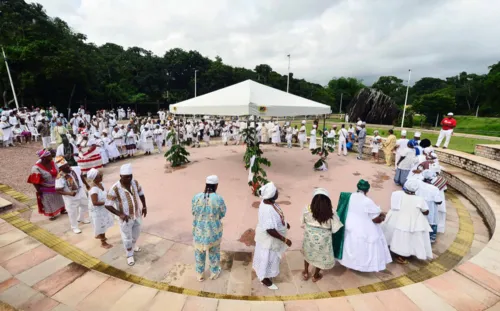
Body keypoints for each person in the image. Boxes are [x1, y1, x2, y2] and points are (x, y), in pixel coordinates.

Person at [333, 180, 392, 272]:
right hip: (362, 228)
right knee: (363, 248)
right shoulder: (367, 201)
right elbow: (375, 219)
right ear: (367, 190)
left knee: (350, 245)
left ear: (358, 187)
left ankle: (348, 263)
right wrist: (382, 216)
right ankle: (359, 266)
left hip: (349, 225)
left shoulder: (350, 196)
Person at [104, 163, 147, 266]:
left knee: (136, 234)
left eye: (130, 176)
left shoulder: (135, 183)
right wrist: (120, 214)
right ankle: (129, 255)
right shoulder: (115, 188)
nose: (129, 179)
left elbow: (141, 194)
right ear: (121, 176)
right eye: (126, 177)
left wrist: (144, 206)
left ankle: (132, 246)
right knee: (127, 237)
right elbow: (107, 204)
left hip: (136, 215)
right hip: (126, 219)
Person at [382, 179, 433, 264]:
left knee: (392, 234)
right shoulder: (419, 199)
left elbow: (393, 205)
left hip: (395, 218)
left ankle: (391, 249)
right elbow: (426, 212)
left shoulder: (396, 194)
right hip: (409, 221)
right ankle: (402, 255)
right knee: (406, 238)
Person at [252, 182, 291, 290]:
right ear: (272, 195)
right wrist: (285, 239)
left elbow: (276, 217)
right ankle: (264, 278)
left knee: (266, 257)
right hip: (268, 239)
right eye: (276, 191)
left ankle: (263, 273)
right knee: (267, 258)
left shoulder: (268, 202)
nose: (278, 192)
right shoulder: (268, 209)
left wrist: (285, 223)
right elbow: (270, 230)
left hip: (267, 237)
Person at [301, 188, 342, 282]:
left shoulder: (307, 209)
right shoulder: (331, 212)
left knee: (308, 252)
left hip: (309, 236)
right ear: (327, 200)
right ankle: (315, 276)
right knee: (320, 256)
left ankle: (306, 272)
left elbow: (302, 221)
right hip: (324, 239)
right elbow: (336, 228)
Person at [192, 175, 227, 282]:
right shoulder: (219, 199)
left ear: (206, 184)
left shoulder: (196, 197)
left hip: (199, 232)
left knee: (199, 254)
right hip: (213, 232)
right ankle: (214, 273)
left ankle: (200, 274)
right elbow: (222, 213)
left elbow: (193, 212)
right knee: (214, 254)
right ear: (216, 185)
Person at [55, 156, 90, 234]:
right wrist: (69, 193)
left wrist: (86, 184)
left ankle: (81, 218)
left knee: (85, 205)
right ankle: (74, 227)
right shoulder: (59, 177)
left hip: (80, 191)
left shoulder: (75, 168)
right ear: (61, 169)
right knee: (72, 213)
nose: (68, 168)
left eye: (67, 165)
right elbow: (58, 190)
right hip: (70, 197)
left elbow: (81, 176)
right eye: (65, 167)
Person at [27, 149, 66, 220]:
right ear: (44, 158)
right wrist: (38, 190)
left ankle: (62, 209)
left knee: (59, 199)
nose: (51, 156)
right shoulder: (36, 168)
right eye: (49, 156)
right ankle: (52, 214)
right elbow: (34, 181)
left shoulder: (53, 162)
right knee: (49, 201)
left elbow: (61, 168)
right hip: (46, 188)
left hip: (56, 185)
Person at [86, 168, 114, 249]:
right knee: (101, 224)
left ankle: (99, 235)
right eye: (99, 176)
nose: (101, 177)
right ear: (94, 178)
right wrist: (106, 202)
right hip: (98, 210)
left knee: (103, 223)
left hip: (103, 208)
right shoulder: (94, 189)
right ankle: (103, 242)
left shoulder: (101, 184)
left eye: (101, 175)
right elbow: (95, 202)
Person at [416, 170, 443, 243]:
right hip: (431, 210)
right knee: (432, 222)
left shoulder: (419, 184)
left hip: (420, 208)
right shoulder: (434, 188)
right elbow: (439, 201)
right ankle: (430, 239)